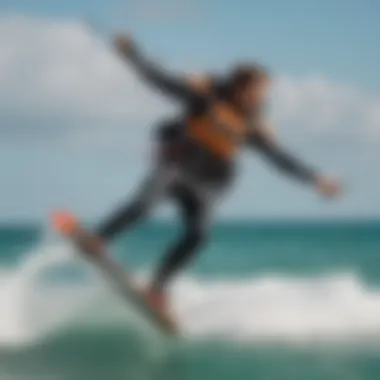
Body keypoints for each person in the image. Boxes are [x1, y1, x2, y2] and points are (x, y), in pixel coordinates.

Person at [55, 34, 342, 312]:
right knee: (144, 204)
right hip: (177, 167)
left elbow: (280, 159)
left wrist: (316, 178)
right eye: (256, 91)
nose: (260, 98)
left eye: (263, 93)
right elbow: (160, 81)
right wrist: (132, 55)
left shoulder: (253, 125)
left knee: (198, 235)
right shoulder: (205, 99)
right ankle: (99, 239)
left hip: (210, 184)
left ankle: (157, 288)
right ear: (239, 88)